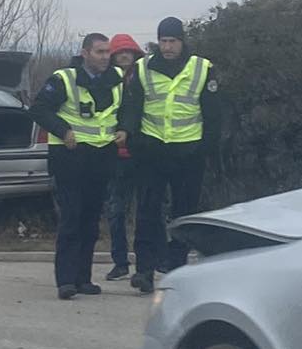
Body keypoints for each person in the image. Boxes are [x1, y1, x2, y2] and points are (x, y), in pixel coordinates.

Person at [119, 16, 220, 291]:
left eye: (172, 41)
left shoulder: (202, 68)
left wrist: (206, 148)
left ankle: (176, 270)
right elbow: (132, 108)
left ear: (182, 41)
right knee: (147, 211)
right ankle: (144, 270)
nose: (167, 47)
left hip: (188, 151)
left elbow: (213, 114)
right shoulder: (143, 68)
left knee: (184, 214)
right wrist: (133, 137)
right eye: (163, 41)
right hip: (152, 150)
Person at [29, 32, 125, 300]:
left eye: (107, 52)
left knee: (91, 222)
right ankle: (66, 281)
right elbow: (38, 109)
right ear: (85, 54)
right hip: (70, 158)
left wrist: (125, 129)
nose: (105, 57)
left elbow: (125, 111)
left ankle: (84, 278)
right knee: (71, 218)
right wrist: (63, 130)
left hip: (101, 157)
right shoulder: (64, 79)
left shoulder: (115, 80)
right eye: (99, 52)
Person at [102, 33, 144, 280]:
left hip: (142, 153)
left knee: (148, 211)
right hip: (115, 156)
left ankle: (149, 261)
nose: (124, 56)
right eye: (119, 53)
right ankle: (120, 262)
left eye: (128, 52)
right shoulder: (105, 83)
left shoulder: (148, 79)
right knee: (116, 211)